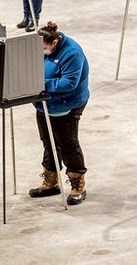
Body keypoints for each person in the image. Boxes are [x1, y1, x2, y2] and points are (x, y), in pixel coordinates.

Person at [29, 22, 90, 206]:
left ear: (55, 43)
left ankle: (78, 184)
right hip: (44, 104)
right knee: (48, 141)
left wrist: (39, 83)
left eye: (45, 48)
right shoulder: (39, 46)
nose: (42, 51)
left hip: (68, 104)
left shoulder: (72, 53)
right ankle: (50, 180)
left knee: (68, 143)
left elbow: (68, 83)